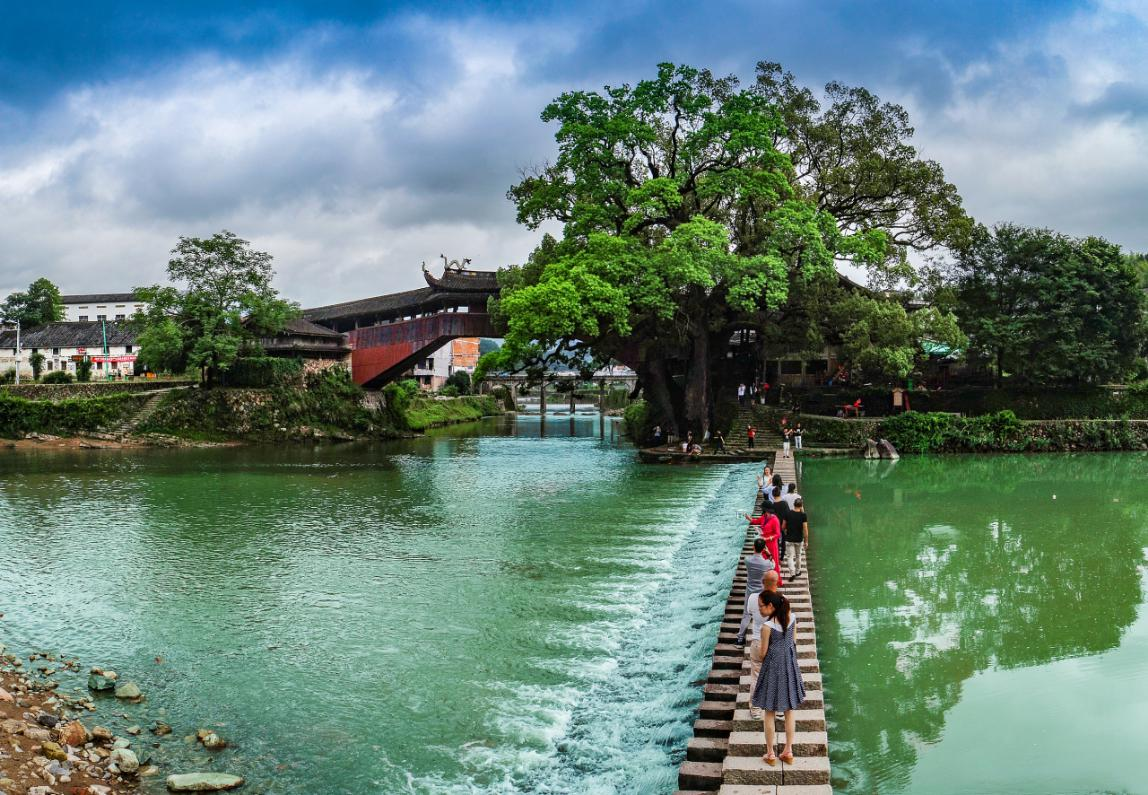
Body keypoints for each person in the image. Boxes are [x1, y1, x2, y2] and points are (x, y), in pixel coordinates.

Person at [750, 592, 806, 765]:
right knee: (789, 710)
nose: (759, 609)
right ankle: (788, 751)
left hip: (772, 668)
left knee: (769, 711)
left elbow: (763, 653)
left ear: (771, 606)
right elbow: (793, 641)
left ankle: (771, 754)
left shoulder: (767, 627)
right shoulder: (792, 618)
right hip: (789, 666)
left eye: (761, 606)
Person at [744, 570, 781, 719]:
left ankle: (756, 708)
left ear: (762, 582)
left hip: (758, 641)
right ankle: (778, 708)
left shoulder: (753, 598)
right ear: (777, 583)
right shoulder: (782, 600)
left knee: (756, 675)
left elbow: (749, 612)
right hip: (775, 642)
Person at [735, 537, 774, 647]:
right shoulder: (766, 563)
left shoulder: (747, 560)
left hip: (750, 591)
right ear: (763, 549)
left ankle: (740, 639)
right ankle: (767, 637)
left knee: (746, 614)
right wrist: (769, 554)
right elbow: (773, 566)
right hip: (761, 592)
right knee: (765, 614)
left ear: (753, 547)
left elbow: (748, 559)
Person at [743, 505, 782, 586]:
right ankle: (765, 579)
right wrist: (748, 518)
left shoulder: (775, 520)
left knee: (773, 561)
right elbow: (756, 521)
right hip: (763, 542)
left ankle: (775, 581)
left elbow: (778, 534)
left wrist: (768, 538)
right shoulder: (764, 517)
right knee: (763, 561)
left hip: (771, 543)